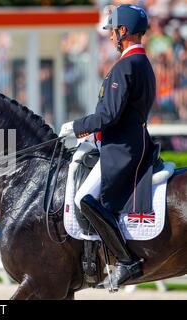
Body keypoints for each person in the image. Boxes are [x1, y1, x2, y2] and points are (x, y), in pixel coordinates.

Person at [58, 4, 157, 288]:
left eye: (114, 31)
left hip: (121, 150)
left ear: (123, 31)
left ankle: (127, 261)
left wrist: (76, 126)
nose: (112, 36)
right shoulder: (143, 64)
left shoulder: (126, 66)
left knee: (83, 200)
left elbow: (108, 116)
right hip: (131, 142)